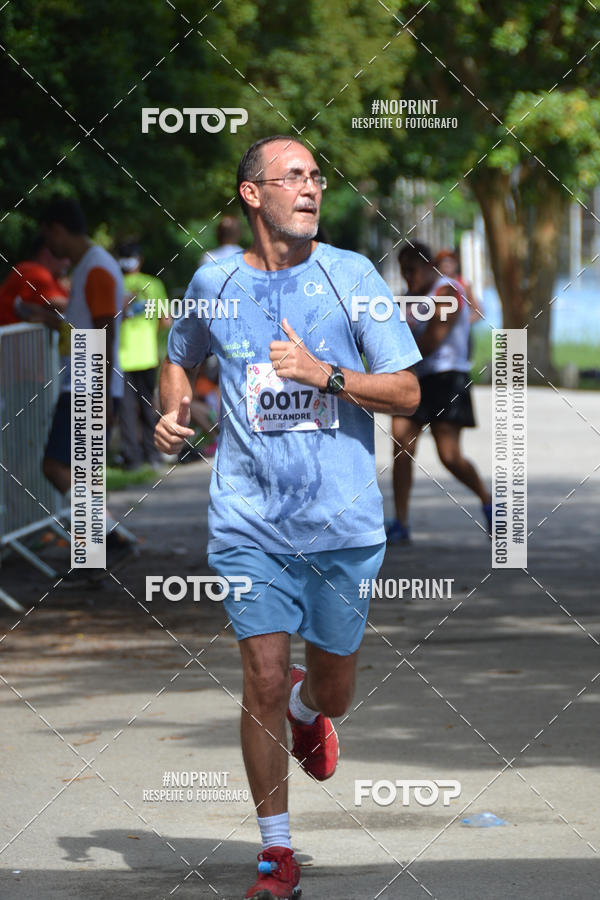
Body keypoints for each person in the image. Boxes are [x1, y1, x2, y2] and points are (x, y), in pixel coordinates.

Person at [154, 135, 421, 900]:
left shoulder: (353, 277)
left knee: (330, 688)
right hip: (249, 520)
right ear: (251, 195)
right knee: (260, 679)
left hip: (342, 523)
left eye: (316, 178)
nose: (310, 188)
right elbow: (181, 355)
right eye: (292, 176)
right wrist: (176, 410)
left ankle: (315, 709)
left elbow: (406, 394)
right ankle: (277, 855)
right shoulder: (215, 280)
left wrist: (325, 374)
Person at [40, 197, 136, 577]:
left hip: (86, 382)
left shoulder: (95, 268)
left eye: (50, 236)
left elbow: (105, 330)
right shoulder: (94, 267)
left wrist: (99, 388)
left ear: (58, 228)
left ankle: (109, 538)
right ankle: (93, 556)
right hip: (90, 381)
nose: (50, 246)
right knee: (84, 475)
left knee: (54, 465)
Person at [386, 241, 492, 544]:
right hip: (416, 378)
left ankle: (487, 502)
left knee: (449, 456)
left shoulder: (447, 292)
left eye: (413, 269)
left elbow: (432, 340)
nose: (408, 277)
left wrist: (387, 366)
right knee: (401, 446)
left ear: (430, 266)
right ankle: (401, 522)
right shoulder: (408, 298)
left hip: (448, 379)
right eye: (403, 271)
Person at [116, 242, 168, 470]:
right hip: (147, 353)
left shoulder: (113, 283)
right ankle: (153, 454)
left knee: (126, 409)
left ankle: (132, 458)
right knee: (149, 405)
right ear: (141, 259)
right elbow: (166, 320)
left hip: (121, 355)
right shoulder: (154, 284)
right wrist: (150, 333)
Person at [0, 234, 68, 327]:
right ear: (47, 253)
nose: (69, 261)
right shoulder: (34, 271)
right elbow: (65, 306)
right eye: (64, 254)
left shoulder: (53, 279)